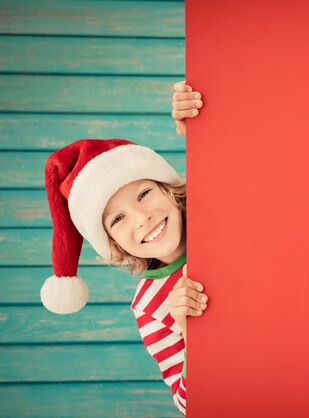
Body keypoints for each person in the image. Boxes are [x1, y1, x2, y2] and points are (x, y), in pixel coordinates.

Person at [41, 81, 204, 415]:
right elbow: (189, 405)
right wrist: (191, 334)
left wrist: (200, 125)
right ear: (112, 243)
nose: (142, 218)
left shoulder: (217, 214)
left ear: (168, 190)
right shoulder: (149, 308)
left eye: (144, 194)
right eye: (118, 219)